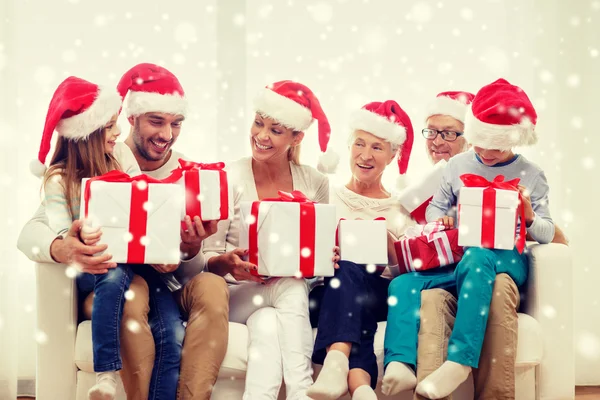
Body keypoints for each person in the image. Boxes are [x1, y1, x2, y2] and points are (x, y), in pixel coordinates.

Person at [18, 63, 229, 400]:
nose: (166, 134)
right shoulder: (96, 166)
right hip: (117, 279)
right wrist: (62, 247)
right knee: (134, 292)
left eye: (176, 124)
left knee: (209, 290)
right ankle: (118, 382)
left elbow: (192, 269)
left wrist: (188, 249)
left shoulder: (189, 174)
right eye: (156, 122)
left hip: (168, 281)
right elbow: (31, 232)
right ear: (132, 119)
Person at [383, 78, 555, 400]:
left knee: (478, 255)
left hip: (507, 259)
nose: (487, 153)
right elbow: (434, 210)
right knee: (401, 284)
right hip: (461, 260)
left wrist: (529, 216)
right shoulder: (456, 166)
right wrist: (442, 219)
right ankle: (400, 362)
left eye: (497, 146)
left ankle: (460, 361)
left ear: (514, 140)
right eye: (480, 143)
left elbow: (547, 233)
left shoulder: (532, 174)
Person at [202, 80, 338, 400]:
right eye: (258, 123)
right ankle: (302, 391)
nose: (261, 136)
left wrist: (322, 258)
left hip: (280, 299)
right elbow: (208, 254)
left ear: (296, 137)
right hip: (238, 291)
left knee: (266, 325)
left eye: (275, 130)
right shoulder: (229, 176)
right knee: (290, 288)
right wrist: (228, 263)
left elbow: (316, 266)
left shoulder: (315, 182)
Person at [31, 76, 142, 399]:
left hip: (121, 259)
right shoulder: (58, 180)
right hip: (86, 267)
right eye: (109, 127)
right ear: (87, 135)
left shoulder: (122, 158)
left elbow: (142, 205)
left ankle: (107, 375)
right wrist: (76, 236)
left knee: (114, 273)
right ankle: (106, 373)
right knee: (109, 273)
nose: (118, 133)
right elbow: (63, 231)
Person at [306, 100, 415, 400]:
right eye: (360, 144)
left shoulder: (401, 208)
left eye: (378, 147)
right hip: (328, 290)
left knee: (358, 278)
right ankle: (361, 385)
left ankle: (336, 362)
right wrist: (322, 257)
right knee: (349, 271)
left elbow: (411, 273)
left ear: (393, 155)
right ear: (349, 146)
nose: (365, 155)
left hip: (379, 291)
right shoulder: (326, 195)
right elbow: (305, 258)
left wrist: (392, 248)